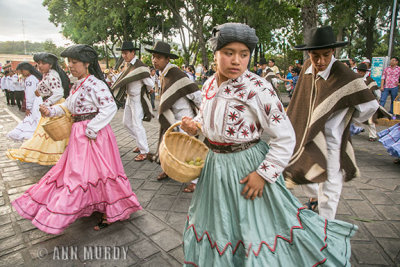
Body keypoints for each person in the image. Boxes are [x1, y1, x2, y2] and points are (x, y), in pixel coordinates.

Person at [181, 22, 358, 266]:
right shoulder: (210, 84)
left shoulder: (258, 89)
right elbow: (207, 116)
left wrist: (263, 175)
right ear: (216, 54)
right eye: (229, 53)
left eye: (244, 55)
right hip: (215, 168)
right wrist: (196, 125)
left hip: (247, 169)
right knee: (218, 224)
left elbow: (285, 137)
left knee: (255, 228)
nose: (236, 61)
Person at [12, 44, 142, 234]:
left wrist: (91, 128)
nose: (70, 66)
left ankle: (111, 210)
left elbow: (110, 107)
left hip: (94, 136)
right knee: (83, 174)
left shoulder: (95, 83)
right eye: (69, 62)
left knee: (98, 174)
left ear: (87, 63)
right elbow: (68, 107)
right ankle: (94, 204)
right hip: (80, 135)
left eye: (74, 62)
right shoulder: (77, 84)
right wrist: (51, 110)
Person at [284, 26, 378, 219]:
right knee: (300, 171)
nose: (321, 61)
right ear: (308, 53)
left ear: (333, 51)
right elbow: (300, 101)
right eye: (315, 55)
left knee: (330, 187)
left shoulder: (346, 76)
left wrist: (349, 114)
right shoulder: (306, 70)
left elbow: (370, 106)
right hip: (306, 135)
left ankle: (327, 230)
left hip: (332, 140)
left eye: (326, 55)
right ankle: (315, 199)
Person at [145, 41, 201, 189]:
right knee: (167, 144)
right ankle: (167, 169)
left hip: (184, 117)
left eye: (159, 57)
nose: (155, 60)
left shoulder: (175, 73)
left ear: (167, 59)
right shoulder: (163, 74)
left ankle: (195, 181)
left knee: (188, 149)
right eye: (153, 57)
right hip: (172, 117)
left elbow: (195, 94)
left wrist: (202, 114)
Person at [7, 53, 71, 165]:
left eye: (43, 63)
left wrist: (46, 103)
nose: (40, 66)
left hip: (55, 106)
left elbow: (58, 93)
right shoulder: (48, 74)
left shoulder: (51, 75)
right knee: (50, 133)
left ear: (50, 65)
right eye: (38, 63)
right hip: (52, 105)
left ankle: (59, 157)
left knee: (53, 131)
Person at [112, 41, 154, 161]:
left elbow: (150, 83)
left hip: (138, 99)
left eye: (126, 53)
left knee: (137, 124)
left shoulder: (140, 66)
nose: (124, 56)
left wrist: (149, 90)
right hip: (129, 98)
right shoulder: (128, 65)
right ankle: (140, 143)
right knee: (126, 123)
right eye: (123, 53)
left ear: (132, 52)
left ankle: (144, 151)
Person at [7, 62, 42, 141]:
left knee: (33, 120)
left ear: (26, 70)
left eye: (21, 71)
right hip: (38, 101)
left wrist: (28, 108)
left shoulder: (30, 79)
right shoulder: (34, 77)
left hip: (34, 103)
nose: (21, 73)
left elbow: (30, 94)